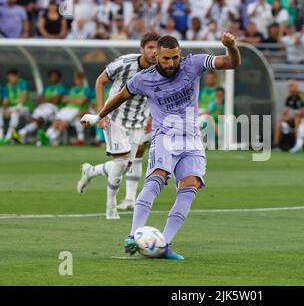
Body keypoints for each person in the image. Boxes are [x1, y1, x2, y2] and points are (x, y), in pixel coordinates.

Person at [80, 32, 241, 259]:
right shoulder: (144, 78)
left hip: (192, 139)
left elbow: (231, 63)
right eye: (166, 58)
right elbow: (121, 96)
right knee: (157, 177)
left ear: (180, 54)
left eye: (175, 58)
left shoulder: (193, 64)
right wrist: (99, 116)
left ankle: (164, 244)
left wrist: (231, 47)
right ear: (157, 56)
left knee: (190, 186)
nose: (171, 63)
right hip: (164, 136)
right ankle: (132, 236)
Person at [77, 33, 159, 219]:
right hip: (115, 117)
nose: (154, 52)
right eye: (150, 47)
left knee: (125, 166)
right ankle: (110, 207)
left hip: (139, 120)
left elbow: (157, 96)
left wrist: (151, 118)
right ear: (142, 49)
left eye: (157, 48)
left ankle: (91, 171)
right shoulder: (125, 62)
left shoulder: (161, 69)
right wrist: (101, 114)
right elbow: (100, 81)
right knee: (121, 162)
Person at [43, 71, 91, 146]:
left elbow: (81, 101)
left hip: (77, 110)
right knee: (56, 121)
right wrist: (76, 100)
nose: (78, 81)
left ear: (83, 80)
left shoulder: (86, 90)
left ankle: (52, 138)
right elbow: (64, 99)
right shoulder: (71, 89)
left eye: (80, 79)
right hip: (66, 109)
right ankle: (47, 137)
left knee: (64, 123)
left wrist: (70, 99)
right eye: (77, 79)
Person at [16, 70, 65, 144]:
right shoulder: (46, 88)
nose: (53, 78)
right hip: (43, 106)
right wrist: (50, 99)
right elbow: (40, 99)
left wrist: (46, 99)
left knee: (41, 117)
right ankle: (23, 134)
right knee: (34, 119)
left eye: (55, 76)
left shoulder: (61, 87)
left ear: (58, 78)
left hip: (53, 109)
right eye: (51, 76)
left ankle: (21, 133)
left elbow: (56, 100)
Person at [0, 69, 29, 144]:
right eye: (9, 77)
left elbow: (24, 95)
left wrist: (18, 107)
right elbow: (5, 100)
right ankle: (1, 136)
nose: (11, 79)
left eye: (12, 77)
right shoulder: (7, 86)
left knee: (14, 113)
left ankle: (8, 137)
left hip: (24, 108)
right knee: (1, 111)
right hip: (11, 109)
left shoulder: (23, 83)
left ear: (17, 76)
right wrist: (5, 108)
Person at [273, 80, 304, 149]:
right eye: (289, 86)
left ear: (297, 87)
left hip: (302, 119)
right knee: (279, 122)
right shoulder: (289, 98)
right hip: (292, 118)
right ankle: (276, 144)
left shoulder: (301, 96)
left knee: (297, 119)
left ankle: (297, 144)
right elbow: (285, 111)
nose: (290, 88)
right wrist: (281, 118)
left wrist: (291, 117)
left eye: (292, 86)